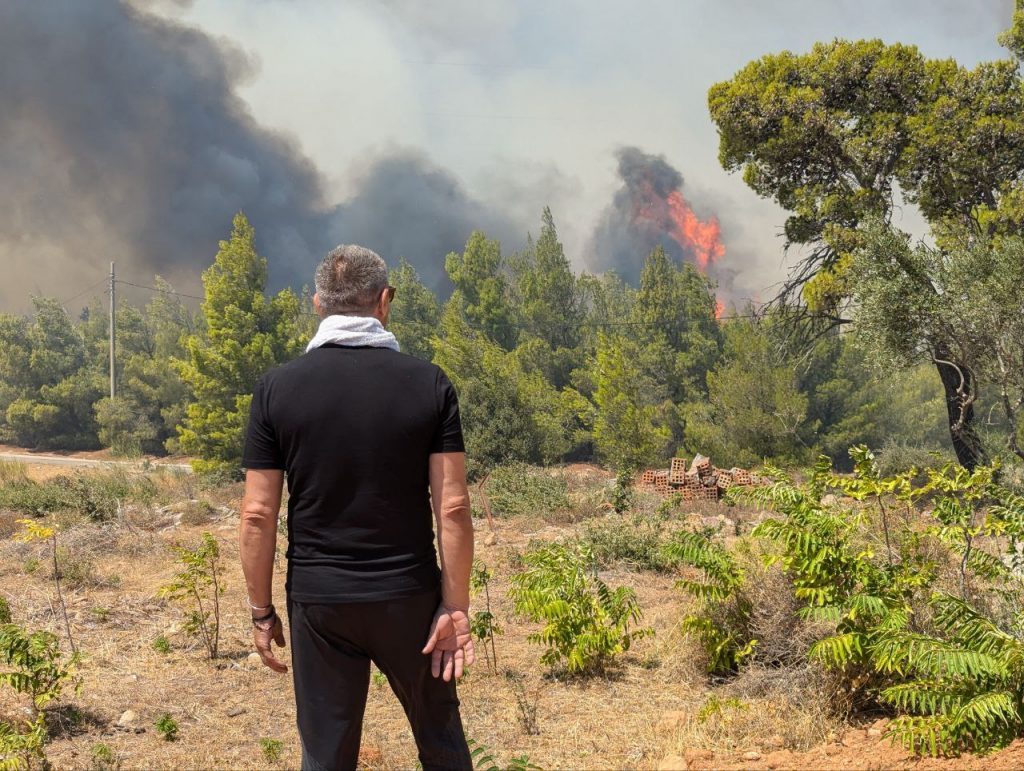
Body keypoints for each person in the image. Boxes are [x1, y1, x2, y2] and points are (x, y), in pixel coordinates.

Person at [238, 244, 475, 771]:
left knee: (325, 756)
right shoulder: (429, 384)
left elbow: (257, 514)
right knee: (441, 743)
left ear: (318, 302)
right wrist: (454, 608)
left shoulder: (276, 389)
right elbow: (453, 507)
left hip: (320, 602)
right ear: (385, 301)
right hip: (409, 600)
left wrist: (261, 611)